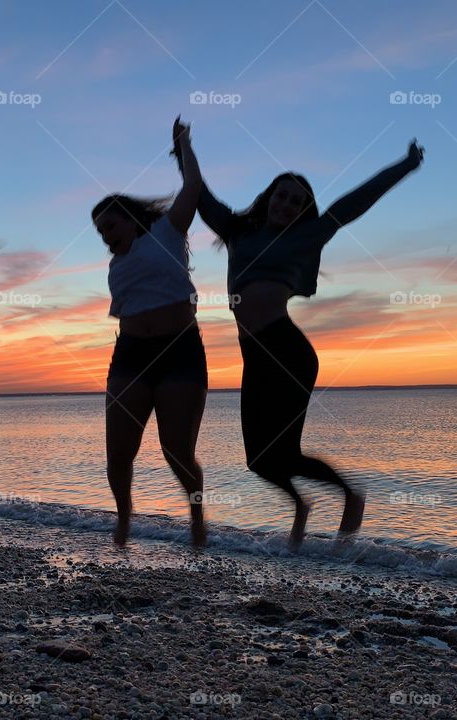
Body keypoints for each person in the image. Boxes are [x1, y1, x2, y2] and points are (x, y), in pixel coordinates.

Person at [179, 135, 425, 549]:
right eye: (282, 196)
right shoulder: (237, 231)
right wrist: (183, 147)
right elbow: (200, 193)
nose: (287, 205)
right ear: (268, 196)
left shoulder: (310, 235)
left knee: (286, 452)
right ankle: (301, 507)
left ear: (302, 210)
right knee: (258, 459)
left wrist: (405, 165)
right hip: (255, 357)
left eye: (296, 201)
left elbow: (355, 201)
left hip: (288, 352)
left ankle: (350, 495)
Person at [92, 117, 207, 547]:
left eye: (110, 226)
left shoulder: (167, 230)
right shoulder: (116, 266)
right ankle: (124, 516)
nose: (106, 236)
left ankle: (196, 514)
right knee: (118, 453)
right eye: (100, 231)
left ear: (130, 219)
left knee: (176, 450)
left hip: (180, 352)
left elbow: (193, 187)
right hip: (132, 355)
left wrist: (183, 147)